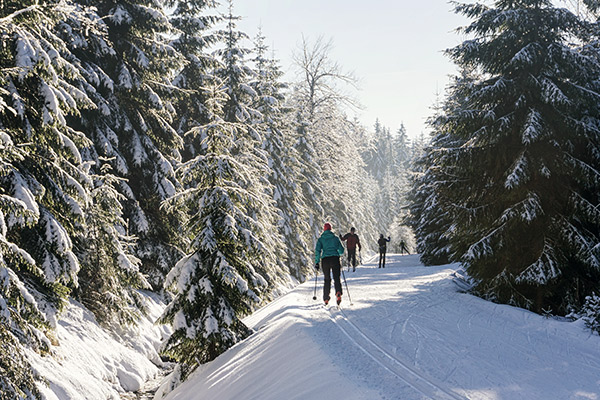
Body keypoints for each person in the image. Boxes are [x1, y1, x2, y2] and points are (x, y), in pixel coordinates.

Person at [315, 222, 345, 305]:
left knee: (327, 279)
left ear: (324, 229)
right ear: (331, 229)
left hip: (325, 260)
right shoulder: (335, 238)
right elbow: (341, 250)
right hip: (335, 259)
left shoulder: (321, 239)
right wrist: (337, 251)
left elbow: (317, 251)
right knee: (336, 278)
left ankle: (326, 298)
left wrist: (317, 262)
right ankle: (338, 292)